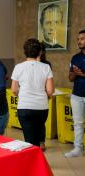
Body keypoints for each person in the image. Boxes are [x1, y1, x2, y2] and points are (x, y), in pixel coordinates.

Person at [11, 38, 54, 147]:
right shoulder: (46, 67)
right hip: (41, 107)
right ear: (40, 52)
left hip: (25, 107)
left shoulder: (18, 67)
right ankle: (37, 160)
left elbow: (14, 90)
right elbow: (50, 90)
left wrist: (22, 94)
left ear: (25, 52)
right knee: (37, 136)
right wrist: (46, 96)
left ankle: (33, 161)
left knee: (29, 139)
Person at [65, 30, 85, 158]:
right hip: (77, 95)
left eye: (82, 39)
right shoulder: (75, 58)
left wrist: (82, 74)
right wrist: (74, 73)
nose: (79, 41)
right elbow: (70, 78)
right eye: (78, 39)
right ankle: (78, 148)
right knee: (78, 123)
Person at [39, 42, 52, 151]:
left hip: (42, 95)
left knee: (41, 122)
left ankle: (41, 141)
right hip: (31, 97)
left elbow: (49, 83)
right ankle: (33, 141)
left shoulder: (46, 64)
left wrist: (48, 94)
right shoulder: (27, 63)